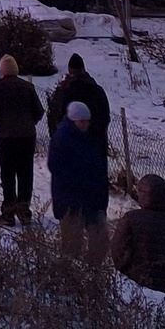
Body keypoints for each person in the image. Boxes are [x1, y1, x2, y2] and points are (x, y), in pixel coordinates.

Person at [0, 54, 44, 224]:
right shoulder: (27, 87)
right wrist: (29, 123)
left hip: (8, 137)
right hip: (27, 137)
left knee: (8, 174)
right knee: (25, 172)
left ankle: (8, 212)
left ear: (1, 70)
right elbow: (39, 111)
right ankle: (23, 210)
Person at [49, 101, 110, 262]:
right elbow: (57, 168)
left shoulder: (92, 138)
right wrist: (81, 183)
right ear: (73, 120)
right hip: (71, 199)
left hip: (93, 197)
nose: (85, 124)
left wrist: (101, 193)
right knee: (72, 242)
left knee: (100, 239)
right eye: (81, 121)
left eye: (86, 121)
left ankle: (93, 271)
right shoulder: (61, 138)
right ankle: (71, 274)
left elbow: (100, 167)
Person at [47, 53, 110, 150]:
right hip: (94, 143)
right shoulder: (97, 90)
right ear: (83, 69)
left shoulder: (65, 91)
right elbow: (105, 117)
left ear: (69, 70)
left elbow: (57, 115)